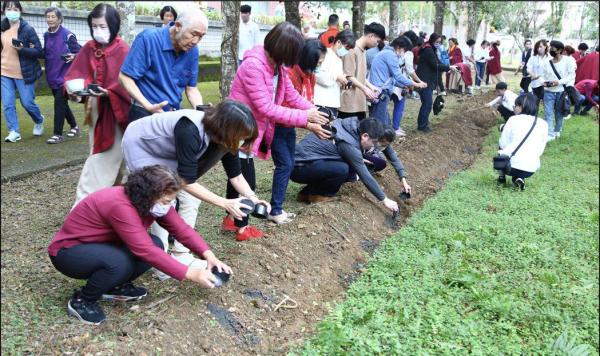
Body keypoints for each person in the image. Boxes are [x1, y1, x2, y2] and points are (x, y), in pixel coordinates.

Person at [48, 165, 233, 325]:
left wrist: (209, 255)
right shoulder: (119, 204)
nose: (167, 206)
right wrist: (191, 273)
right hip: (69, 252)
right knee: (120, 261)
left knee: (156, 243)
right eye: (166, 201)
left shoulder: (152, 202)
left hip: (103, 246)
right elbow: (144, 250)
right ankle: (83, 300)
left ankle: (113, 287)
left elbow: (181, 229)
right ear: (147, 195)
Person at [122, 101, 267, 271]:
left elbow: (236, 176)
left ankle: (181, 255)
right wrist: (224, 202)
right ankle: (160, 261)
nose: (242, 142)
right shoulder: (189, 129)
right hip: (143, 144)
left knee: (191, 199)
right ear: (227, 129)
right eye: (241, 136)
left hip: (170, 152)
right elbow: (186, 181)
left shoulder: (227, 139)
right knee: (160, 200)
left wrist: (253, 198)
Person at [227, 22, 330, 236]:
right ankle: (242, 226)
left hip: (252, 129)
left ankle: (232, 220)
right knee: (244, 177)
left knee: (237, 173)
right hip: (238, 127)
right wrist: (305, 116)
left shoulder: (278, 67)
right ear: (284, 49)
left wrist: (315, 110)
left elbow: (290, 96)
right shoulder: (254, 66)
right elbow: (266, 107)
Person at [65, 3, 131, 205]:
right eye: (94, 26)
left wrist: (109, 93)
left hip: (118, 112)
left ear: (113, 25)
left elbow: (128, 86)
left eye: (102, 26)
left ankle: (95, 205)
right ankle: (107, 205)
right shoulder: (88, 48)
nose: (98, 31)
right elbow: (76, 75)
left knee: (113, 157)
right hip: (95, 109)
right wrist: (76, 91)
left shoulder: (123, 49)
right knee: (100, 152)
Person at [267, 40, 327, 225]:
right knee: (285, 164)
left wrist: (317, 116)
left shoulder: (310, 76)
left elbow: (304, 101)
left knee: (289, 163)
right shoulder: (290, 74)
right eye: (318, 63)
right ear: (309, 59)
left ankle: (278, 207)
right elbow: (284, 107)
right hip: (277, 125)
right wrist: (309, 124)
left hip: (290, 127)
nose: (319, 67)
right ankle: (275, 210)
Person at [292, 117, 399, 213]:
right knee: (342, 169)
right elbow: (365, 175)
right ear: (365, 136)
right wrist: (384, 199)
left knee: (342, 165)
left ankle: (305, 194)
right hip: (299, 167)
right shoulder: (349, 143)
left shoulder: (349, 127)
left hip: (301, 162)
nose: (373, 146)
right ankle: (319, 196)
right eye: (373, 142)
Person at [119, 7, 207, 122]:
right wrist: (148, 106)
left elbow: (191, 89)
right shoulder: (149, 39)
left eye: (201, 36)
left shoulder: (193, 50)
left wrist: (202, 110)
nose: (196, 41)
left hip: (172, 113)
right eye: (193, 34)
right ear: (178, 26)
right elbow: (125, 77)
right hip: (144, 110)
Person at [1, 0, 45, 143]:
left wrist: (23, 49)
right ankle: (14, 131)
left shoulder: (27, 29)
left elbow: (40, 52)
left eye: (15, 8)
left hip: (24, 73)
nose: (11, 11)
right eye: (8, 8)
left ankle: (39, 119)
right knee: (8, 103)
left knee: (27, 103)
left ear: (20, 11)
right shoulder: (2, 27)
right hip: (4, 72)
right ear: (4, 11)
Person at [42, 6, 82, 144]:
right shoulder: (46, 35)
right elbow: (46, 53)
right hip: (52, 75)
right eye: (48, 17)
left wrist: (74, 56)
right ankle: (74, 126)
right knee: (63, 104)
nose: (50, 19)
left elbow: (81, 52)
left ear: (59, 19)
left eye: (53, 17)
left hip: (65, 77)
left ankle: (57, 134)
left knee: (58, 103)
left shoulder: (68, 35)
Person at [369, 36, 425, 126]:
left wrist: (404, 85)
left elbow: (392, 79)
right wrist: (415, 84)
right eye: (404, 50)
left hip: (380, 90)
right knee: (379, 123)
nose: (404, 53)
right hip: (380, 91)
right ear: (398, 47)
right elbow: (398, 76)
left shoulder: (385, 53)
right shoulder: (390, 55)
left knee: (383, 121)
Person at [497, 93, 548, 190]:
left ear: (522, 106)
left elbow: (503, 143)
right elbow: (541, 148)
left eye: (515, 105)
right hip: (531, 168)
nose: (514, 108)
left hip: (509, 168)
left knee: (501, 150)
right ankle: (519, 178)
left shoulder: (513, 119)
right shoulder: (543, 123)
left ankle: (501, 178)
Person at [338, 22, 386, 119]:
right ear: (371, 36)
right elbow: (348, 76)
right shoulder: (351, 49)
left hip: (359, 102)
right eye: (377, 41)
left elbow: (359, 75)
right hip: (349, 103)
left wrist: (370, 86)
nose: (377, 44)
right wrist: (365, 89)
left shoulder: (363, 50)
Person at [541, 40, 576, 141]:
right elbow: (542, 75)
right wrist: (543, 82)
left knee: (559, 112)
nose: (551, 49)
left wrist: (559, 82)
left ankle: (557, 130)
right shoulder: (547, 62)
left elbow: (571, 75)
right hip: (548, 91)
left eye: (553, 47)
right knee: (548, 112)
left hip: (561, 91)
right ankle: (550, 133)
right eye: (550, 47)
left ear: (560, 50)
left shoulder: (567, 60)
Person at [314, 29, 355, 117]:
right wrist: (336, 77)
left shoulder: (339, 60)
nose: (346, 51)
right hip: (322, 102)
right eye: (346, 48)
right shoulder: (325, 54)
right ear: (338, 42)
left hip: (333, 103)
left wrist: (343, 84)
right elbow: (318, 75)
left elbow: (335, 82)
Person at [415, 33, 450, 133]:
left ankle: (424, 122)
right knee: (427, 103)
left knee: (426, 103)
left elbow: (438, 63)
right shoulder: (428, 50)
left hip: (428, 80)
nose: (438, 44)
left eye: (440, 42)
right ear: (432, 40)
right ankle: (422, 126)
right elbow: (436, 65)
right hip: (424, 81)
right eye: (437, 42)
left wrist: (448, 67)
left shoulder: (432, 50)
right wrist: (448, 67)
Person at [362, 127, 412, 195]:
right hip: (356, 155)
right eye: (382, 143)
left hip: (365, 157)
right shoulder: (367, 139)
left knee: (381, 162)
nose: (383, 145)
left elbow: (395, 160)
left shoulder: (386, 145)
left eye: (386, 144)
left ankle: (366, 171)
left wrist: (404, 181)